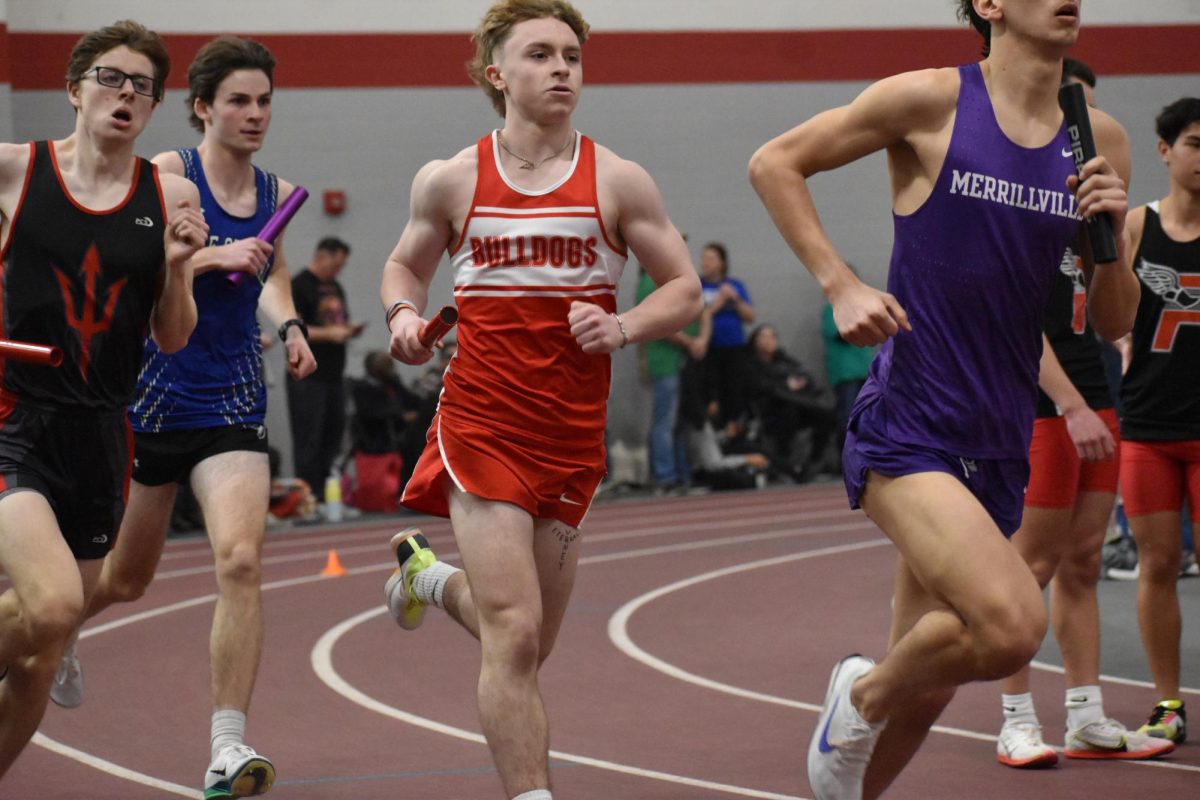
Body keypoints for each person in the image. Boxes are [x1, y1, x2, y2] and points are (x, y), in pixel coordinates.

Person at [748, 2, 1140, 798]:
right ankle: (860, 690)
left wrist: (1109, 229)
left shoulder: (1097, 135)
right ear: (989, 3)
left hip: (1000, 434)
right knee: (1010, 627)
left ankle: (853, 766)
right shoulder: (928, 99)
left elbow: (1115, 319)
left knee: (924, 694)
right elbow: (774, 163)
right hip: (912, 421)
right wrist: (839, 282)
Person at [379, 2, 701, 798]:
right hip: (481, 424)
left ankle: (427, 581)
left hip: (571, 437)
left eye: (572, 56)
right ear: (498, 75)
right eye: (541, 55)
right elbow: (402, 268)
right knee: (514, 635)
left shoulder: (618, 179)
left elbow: (686, 289)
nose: (563, 68)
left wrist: (623, 325)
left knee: (528, 644)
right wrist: (404, 319)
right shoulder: (452, 179)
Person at [49, 35, 316, 799]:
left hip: (232, 395)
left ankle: (226, 747)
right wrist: (210, 259)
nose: (255, 114)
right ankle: (49, 627)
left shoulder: (277, 191)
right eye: (238, 100)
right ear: (202, 107)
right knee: (123, 581)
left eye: (264, 100)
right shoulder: (166, 175)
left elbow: (273, 272)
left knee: (240, 560)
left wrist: (292, 325)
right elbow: (127, 264)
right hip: (150, 394)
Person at [0, 20, 206, 779]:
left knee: (43, 650)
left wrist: (180, 266)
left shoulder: (168, 193)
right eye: (111, 79)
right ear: (74, 88)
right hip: (15, 418)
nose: (127, 95)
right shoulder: (15, 172)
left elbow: (173, 336)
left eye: (143, 86)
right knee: (52, 606)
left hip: (100, 437)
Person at [993, 57, 1171, 768]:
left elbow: (1109, 315)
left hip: (1094, 391)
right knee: (1027, 564)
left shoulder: (1090, 217)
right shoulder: (1012, 208)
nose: (1079, 136)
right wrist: (1070, 406)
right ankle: (1013, 718)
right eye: (1068, 120)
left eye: (1088, 120)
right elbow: (1010, 320)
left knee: (1084, 561)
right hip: (1040, 402)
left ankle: (1087, 714)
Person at [1121, 96, 1200, 745]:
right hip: (1148, 426)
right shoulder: (1132, 226)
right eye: (1196, 143)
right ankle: (1168, 705)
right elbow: (1105, 309)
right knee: (1157, 565)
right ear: (1166, 150)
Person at [288, 236, 364, 497]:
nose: (338, 271)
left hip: (334, 374)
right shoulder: (298, 286)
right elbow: (292, 328)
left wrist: (346, 331)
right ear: (322, 255)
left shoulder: (335, 288)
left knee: (332, 435)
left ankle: (327, 494)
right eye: (336, 264)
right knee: (309, 437)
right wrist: (329, 334)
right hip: (308, 376)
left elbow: (338, 322)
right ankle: (308, 496)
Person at [638, 265, 709, 493]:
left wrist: (701, 340)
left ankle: (681, 474)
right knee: (665, 422)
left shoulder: (676, 278)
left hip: (682, 363)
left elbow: (702, 309)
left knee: (679, 421)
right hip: (664, 362)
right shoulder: (651, 281)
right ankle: (665, 476)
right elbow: (653, 322)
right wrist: (690, 342)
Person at [746, 323, 838, 482]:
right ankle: (785, 464)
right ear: (754, 341)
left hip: (799, 407)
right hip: (770, 412)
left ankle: (814, 461)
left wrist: (799, 384)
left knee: (825, 414)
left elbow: (805, 376)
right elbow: (760, 387)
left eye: (772, 336)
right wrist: (785, 385)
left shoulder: (784, 359)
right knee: (787, 413)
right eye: (764, 337)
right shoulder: (751, 364)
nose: (769, 341)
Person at [821, 266, 875, 464]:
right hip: (845, 372)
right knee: (847, 417)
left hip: (863, 368)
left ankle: (866, 457)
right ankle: (845, 460)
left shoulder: (861, 307)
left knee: (868, 417)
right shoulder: (830, 309)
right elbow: (843, 333)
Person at [699, 241, 755, 424]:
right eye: (704, 258)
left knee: (735, 393)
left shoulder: (734, 285)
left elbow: (750, 317)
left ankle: (735, 431)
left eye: (711, 258)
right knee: (712, 396)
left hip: (734, 348)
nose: (705, 262)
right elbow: (697, 315)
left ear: (722, 263)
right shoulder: (698, 286)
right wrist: (718, 304)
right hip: (709, 349)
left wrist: (735, 299)